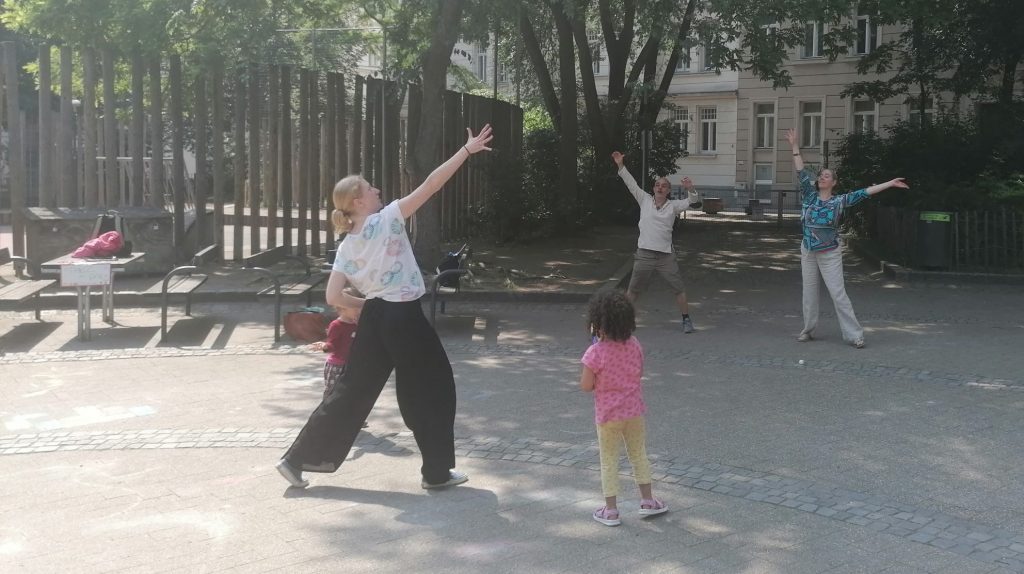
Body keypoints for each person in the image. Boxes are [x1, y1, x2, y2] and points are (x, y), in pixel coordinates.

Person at [276, 124, 494, 490]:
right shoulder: (389, 217)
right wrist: (466, 151)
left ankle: (295, 460)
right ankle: (436, 473)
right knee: (432, 389)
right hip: (404, 316)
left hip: (377, 315)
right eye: (370, 188)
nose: (377, 190)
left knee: (350, 390)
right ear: (359, 201)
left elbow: (333, 298)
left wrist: (367, 306)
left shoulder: (346, 244)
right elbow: (432, 185)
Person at [786, 128, 908, 348]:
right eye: (821, 175)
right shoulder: (809, 195)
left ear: (834, 183)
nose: (822, 177)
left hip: (830, 251)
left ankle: (854, 335)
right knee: (809, 293)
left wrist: (889, 183)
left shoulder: (839, 201)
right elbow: (801, 171)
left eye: (826, 176)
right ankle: (808, 330)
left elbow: (865, 192)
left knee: (838, 293)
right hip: (808, 250)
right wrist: (794, 146)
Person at [581, 289, 669, 527]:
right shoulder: (634, 344)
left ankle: (610, 510)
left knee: (609, 459)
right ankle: (648, 500)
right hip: (634, 411)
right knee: (638, 453)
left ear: (597, 323)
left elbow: (586, 385)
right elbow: (639, 373)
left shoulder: (595, 353)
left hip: (608, 415)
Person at [611, 151, 700, 333]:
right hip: (644, 253)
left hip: (665, 255)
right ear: (653, 188)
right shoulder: (644, 199)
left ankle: (686, 320)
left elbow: (693, 201)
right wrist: (620, 165)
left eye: (664, 186)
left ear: (668, 190)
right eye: (657, 185)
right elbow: (631, 183)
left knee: (678, 288)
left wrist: (690, 188)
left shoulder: (673, 206)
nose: (660, 188)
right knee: (633, 290)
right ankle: (623, 323)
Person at [309, 304, 360, 401]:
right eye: (355, 306)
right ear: (342, 308)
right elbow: (332, 345)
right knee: (333, 394)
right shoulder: (336, 325)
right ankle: (326, 414)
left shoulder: (356, 324)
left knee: (349, 394)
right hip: (337, 366)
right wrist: (324, 347)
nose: (358, 310)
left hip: (352, 365)